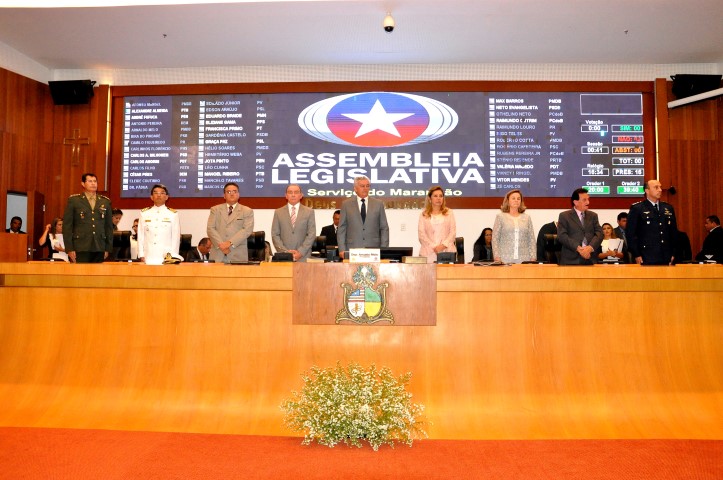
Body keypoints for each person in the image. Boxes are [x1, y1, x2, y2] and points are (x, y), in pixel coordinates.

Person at [63, 172, 114, 263]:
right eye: (90, 181)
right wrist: (69, 248)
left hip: (99, 246)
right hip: (80, 246)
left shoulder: (105, 202)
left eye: (95, 181)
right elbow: (67, 226)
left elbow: (108, 227)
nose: (93, 183)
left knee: (98, 276)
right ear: (83, 184)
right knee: (80, 276)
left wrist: (108, 248)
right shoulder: (74, 201)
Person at [626, 179, 678, 265]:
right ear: (647, 190)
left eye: (660, 187)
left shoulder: (668, 208)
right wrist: (636, 254)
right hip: (646, 256)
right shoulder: (637, 208)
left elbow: (673, 232)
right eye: (656, 187)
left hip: (666, 256)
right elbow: (631, 234)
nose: (660, 190)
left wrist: (674, 253)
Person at [337, 175, 389, 259]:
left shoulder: (378, 204)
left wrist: (384, 249)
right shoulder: (346, 204)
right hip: (352, 249)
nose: (365, 188)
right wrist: (342, 249)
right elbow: (341, 228)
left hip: (374, 249)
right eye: (362, 186)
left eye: (367, 186)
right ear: (355, 188)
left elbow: (384, 228)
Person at [206, 182, 254, 263]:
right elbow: (210, 229)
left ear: (239, 194)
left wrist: (229, 243)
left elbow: (247, 230)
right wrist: (221, 245)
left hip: (237, 255)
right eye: (228, 192)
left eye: (234, 191)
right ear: (224, 195)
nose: (232, 194)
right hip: (218, 253)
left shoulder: (247, 211)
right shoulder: (215, 210)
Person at [557, 187, 603, 265]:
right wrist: (579, 248)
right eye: (584, 200)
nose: (588, 202)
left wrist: (589, 248)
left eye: (588, 199)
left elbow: (599, 233)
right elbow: (562, 236)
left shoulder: (593, 216)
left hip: (590, 258)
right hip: (571, 260)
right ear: (575, 202)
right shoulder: (564, 216)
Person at [271, 184, 317, 262]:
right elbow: (275, 234)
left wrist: (300, 252)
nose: (293, 195)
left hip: (303, 257)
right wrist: (285, 252)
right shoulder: (278, 212)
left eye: (296, 192)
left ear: (301, 195)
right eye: (290, 192)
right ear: (286, 196)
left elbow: (311, 234)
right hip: (284, 257)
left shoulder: (309, 212)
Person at [137, 184, 181, 265]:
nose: (159, 195)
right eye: (156, 193)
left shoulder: (173, 214)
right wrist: (141, 254)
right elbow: (140, 236)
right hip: (148, 256)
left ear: (167, 197)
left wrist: (173, 256)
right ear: (151, 197)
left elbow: (176, 238)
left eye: (162, 193)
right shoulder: (144, 213)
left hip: (166, 257)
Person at [491, 189, 536, 263]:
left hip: (524, 258)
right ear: (508, 201)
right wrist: (497, 257)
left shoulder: (527, 218)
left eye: (518, 199)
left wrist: (533, 257)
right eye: (513, 198)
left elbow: (531, 239)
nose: (516, 200)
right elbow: (495, 238)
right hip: (504, 259)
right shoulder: (500, 217)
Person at [417, 186, 457, 263]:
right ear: (429, 199)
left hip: (447, 252)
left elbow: (452, 233)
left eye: (441, 196)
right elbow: (421, 235)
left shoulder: (449, 213)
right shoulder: (423, 214)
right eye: (435, 196)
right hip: (428, 252)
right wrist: (434, 247)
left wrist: (442, 246)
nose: (438, 198)